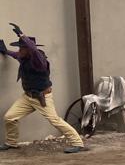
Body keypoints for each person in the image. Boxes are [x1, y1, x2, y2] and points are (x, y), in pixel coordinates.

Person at [1, 23, 87, 153]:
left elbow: (33, 50)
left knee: (55, 121)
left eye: (21, 48)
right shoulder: (24, 57)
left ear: (28, 49)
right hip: (28, 97)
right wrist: (5, 51)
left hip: (42, 97)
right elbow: (16, 55)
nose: (19, 51)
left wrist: (22, 35)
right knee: (10, 117)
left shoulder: (39, 60)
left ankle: (78, 143)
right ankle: (11, 142)